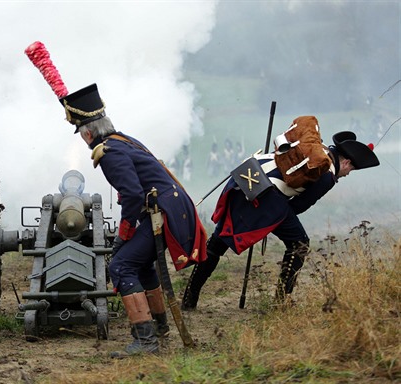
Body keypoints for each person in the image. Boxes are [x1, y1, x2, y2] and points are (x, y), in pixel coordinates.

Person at [60, 83, 207, 356]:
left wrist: (123, 236)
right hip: (169, 210)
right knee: (141, 265)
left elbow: (131, 195)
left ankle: (146, 341)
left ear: (88, 132)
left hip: (164, 213)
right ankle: (159, 327)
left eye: (81, 134)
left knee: (121, 266)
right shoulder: (122, 140)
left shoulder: (110, 153)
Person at [183, 129, 380, 309]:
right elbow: (300, 206)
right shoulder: (327, 174)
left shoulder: (315, 147)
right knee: (299, 244)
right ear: (345, 163)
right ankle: (280, 302)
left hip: (247, 176)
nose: (346, 174)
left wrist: (274, 218)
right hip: (265, 194)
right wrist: (273, 217)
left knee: (218, 242)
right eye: (350, 170)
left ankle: (189, 300)